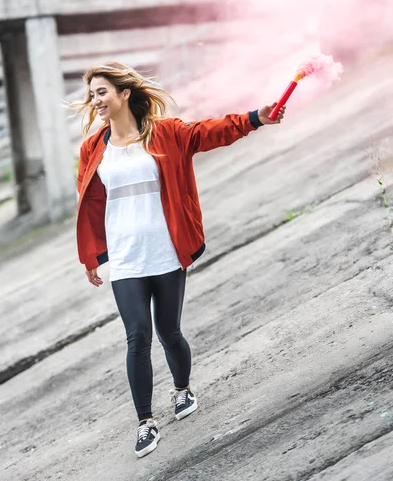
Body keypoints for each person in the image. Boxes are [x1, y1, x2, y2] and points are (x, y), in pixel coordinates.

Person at [73, 62, 285, 458]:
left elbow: (210, 132)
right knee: (137, 336)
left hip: (166, 251)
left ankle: (182, 390)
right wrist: (92, 255)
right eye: (92, 93)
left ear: (124, 94)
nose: (95, 99)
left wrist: (257, 117)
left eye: (102, 91)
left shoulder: (166, 134)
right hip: (126, 258)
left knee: (168, 331)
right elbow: (89, 203)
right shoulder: (92, 149)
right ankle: (144, 422)